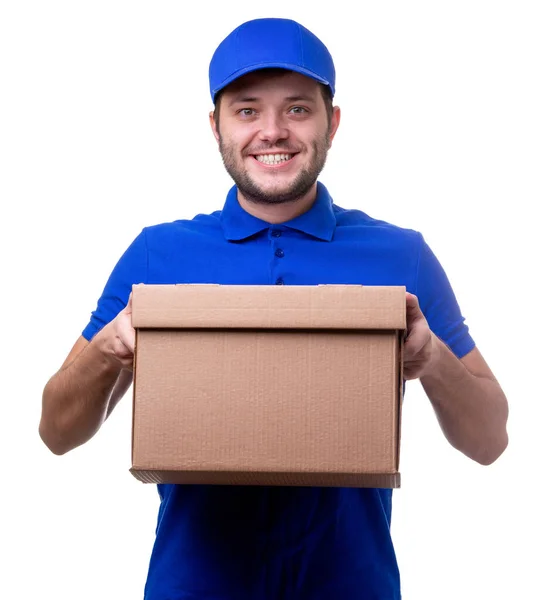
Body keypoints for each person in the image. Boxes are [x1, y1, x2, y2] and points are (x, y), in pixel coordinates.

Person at [39, 17, 509, 600]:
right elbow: (57, 431)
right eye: (246, 111)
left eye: (297, 109)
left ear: (331, 123)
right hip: (194, 588)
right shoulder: (158, 254)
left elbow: (490, 441)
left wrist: (432, 358)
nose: (273, 131)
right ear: (215, 127)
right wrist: (109, 351)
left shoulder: (401, 256)